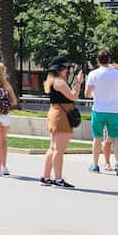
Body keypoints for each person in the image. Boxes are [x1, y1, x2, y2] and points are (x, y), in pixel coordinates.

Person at [86, 51, 118, 176]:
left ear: (98, 60)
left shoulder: (93, 74)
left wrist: (94, 95)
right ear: (109, 60)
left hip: (98, 109)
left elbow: (87, 93)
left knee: (97, 138)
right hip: (114, 110)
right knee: (116, 139)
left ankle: (95, 165)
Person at [42, 56, 83, 188]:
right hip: (61, 115)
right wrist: (78, 82)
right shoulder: (59, 81)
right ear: (59, 69)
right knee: (59, 150)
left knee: (53, 148)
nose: (68, 69)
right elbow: (73, 96)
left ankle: (45, 176)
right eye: (66, 67)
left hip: (55, 113)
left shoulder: (53, 81)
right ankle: (58, 179)